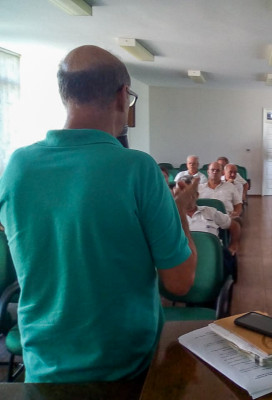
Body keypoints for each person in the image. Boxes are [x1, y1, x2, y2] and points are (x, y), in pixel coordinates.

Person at [0, 45, 198, 383]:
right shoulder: (138, 168)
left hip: (43, 367)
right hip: (123, 370)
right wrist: (179, 211)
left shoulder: (17, 167)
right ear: (123, 96)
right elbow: (179, 282)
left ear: (64, 94)